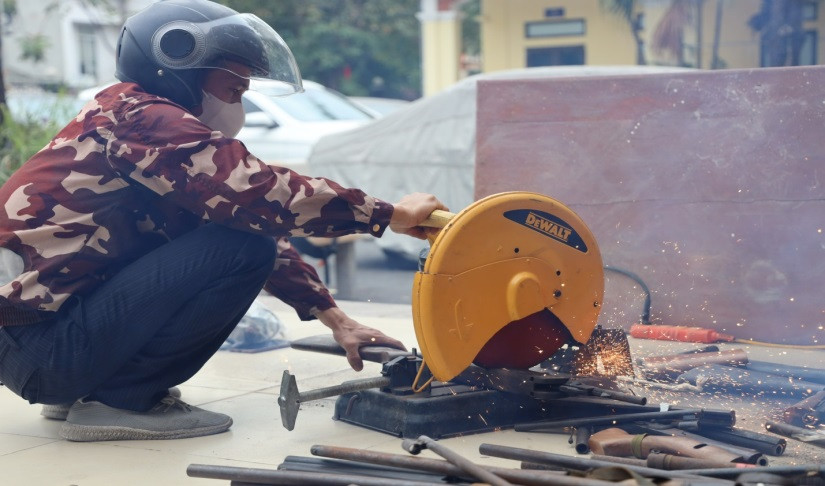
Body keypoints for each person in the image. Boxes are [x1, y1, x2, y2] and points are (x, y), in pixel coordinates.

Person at [0, 0, 445, 442]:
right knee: (248, 250)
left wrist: (335, 319)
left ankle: (88, 388)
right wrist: (391, 214)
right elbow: (262, 196)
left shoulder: (124, 119)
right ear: (178, 67)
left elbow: (243, 219)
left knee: (243, 240)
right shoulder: (144, 119)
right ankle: (120, 399)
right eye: (233, 90)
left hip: (36, 345)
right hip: (46, 351)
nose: (239, 104)